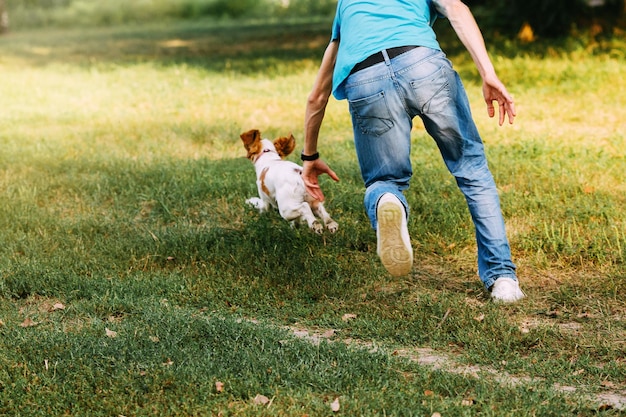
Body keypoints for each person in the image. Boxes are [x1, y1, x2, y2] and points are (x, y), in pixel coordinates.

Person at [300, 0, 525, 303]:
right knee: (471, 170)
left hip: (366, 78)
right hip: (422, 63)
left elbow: (317, 97)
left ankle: (388, 198)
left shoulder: (346, 5)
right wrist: (488, 73)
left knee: (384, 182)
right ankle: (502, 279)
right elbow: (455, 9)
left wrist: (309, 157)